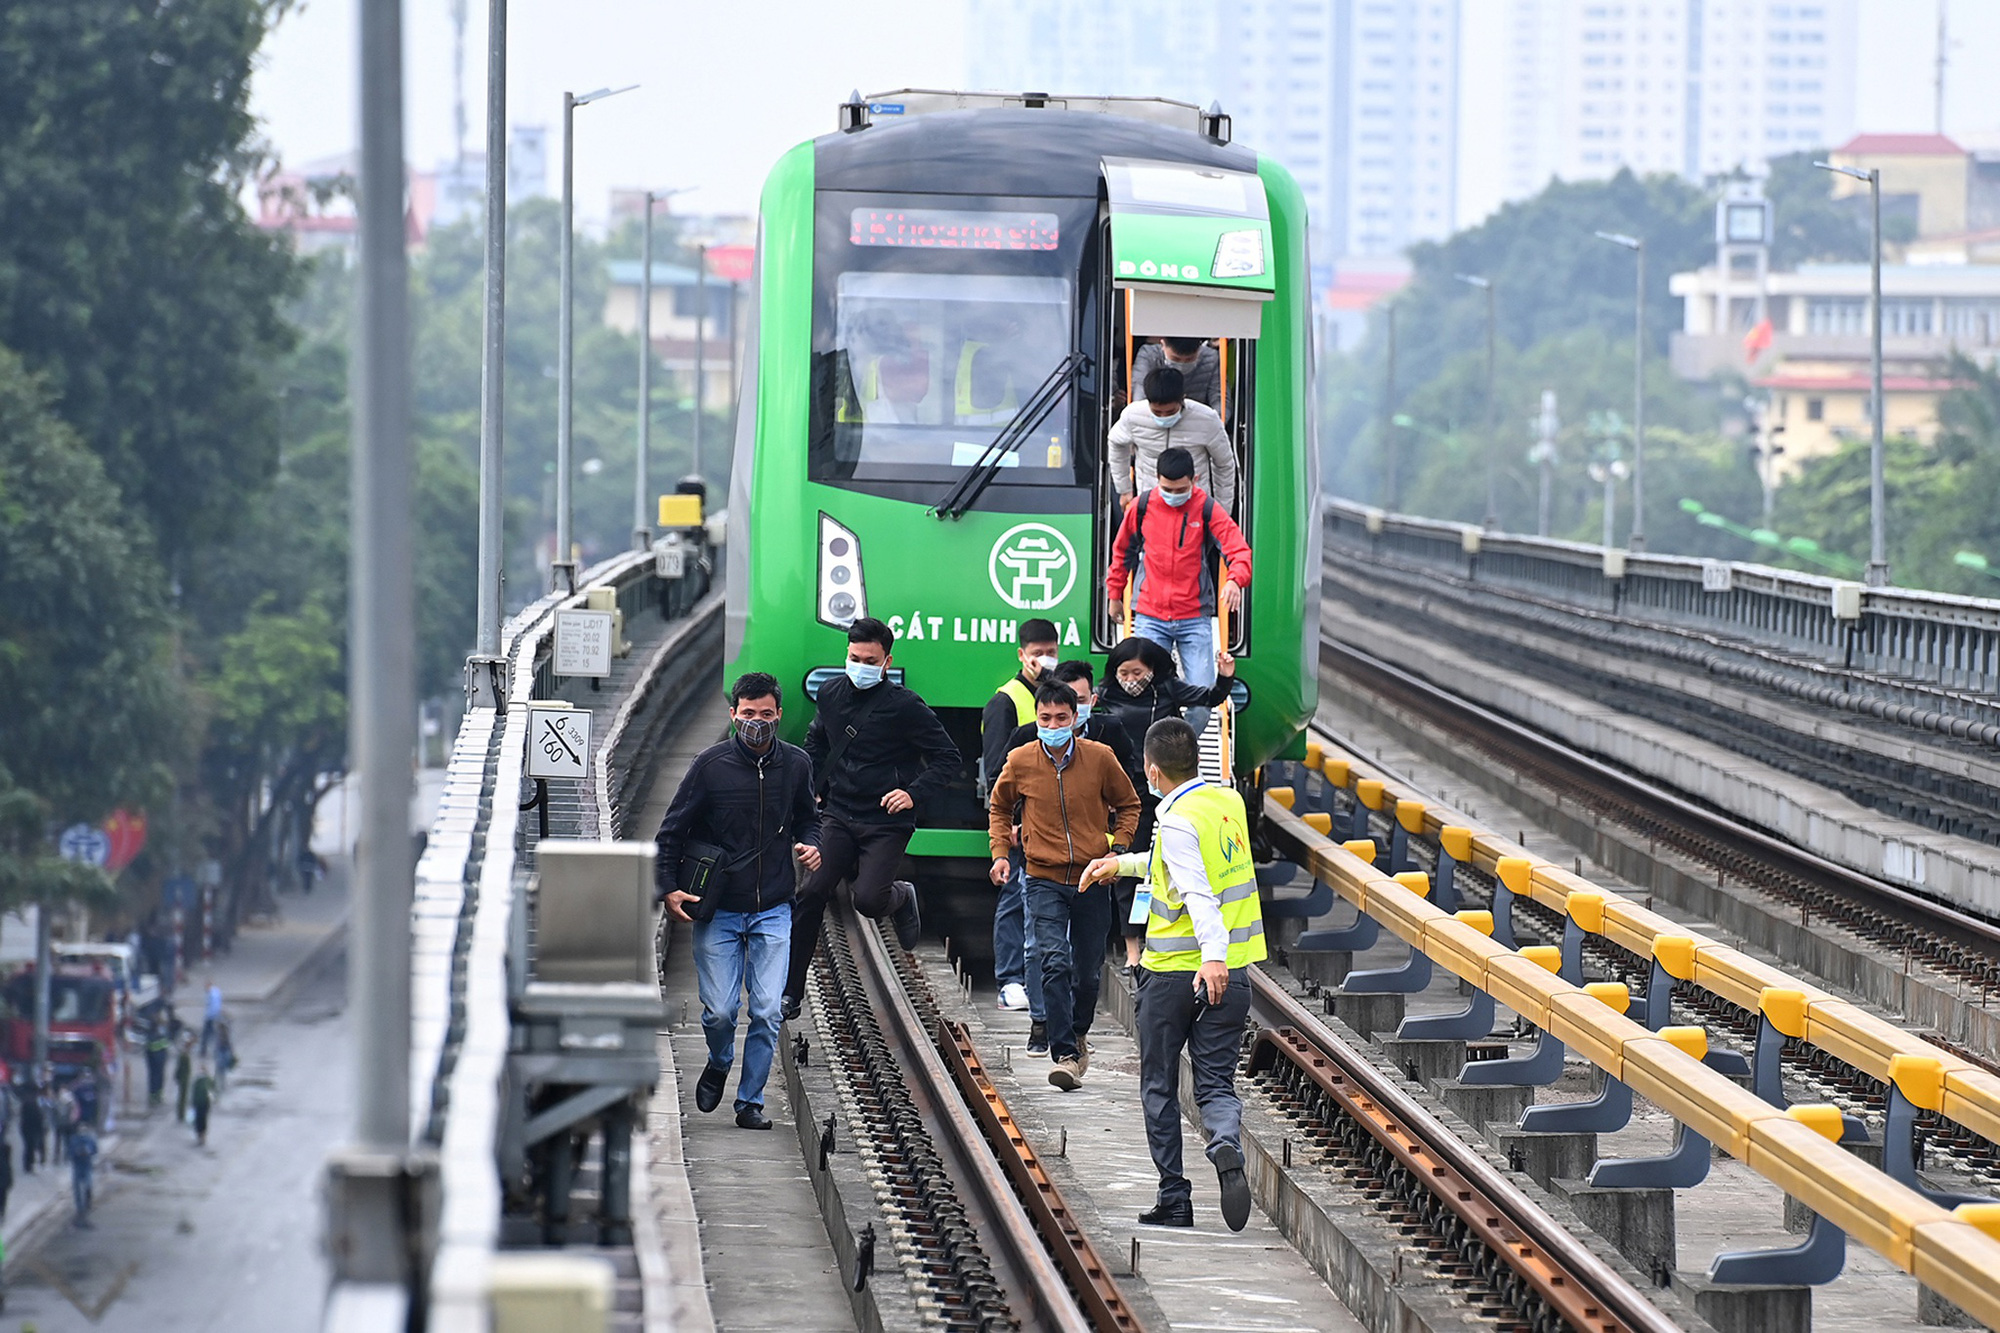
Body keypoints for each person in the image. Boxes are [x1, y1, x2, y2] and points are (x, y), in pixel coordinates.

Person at [1080, 717, 1266, 1231]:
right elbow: (1178, 865)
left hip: (1175, 975)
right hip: (1233, 973)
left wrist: (1209, 957)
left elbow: (1198, 893)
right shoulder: (1225, 803)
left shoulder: (1178, 820)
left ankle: (1175, 1197)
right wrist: (1119, 865)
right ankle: (1224, 1141)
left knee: (1159, 1085)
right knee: (1216, 1084)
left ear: (1151, 769)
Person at [656, 672, 823, 1132]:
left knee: (768, 1010)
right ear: (733, 714)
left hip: (773, 905)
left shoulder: (797, 765)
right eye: (747, 715)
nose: (757, 723)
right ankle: (719, 1058)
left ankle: (750, 1101)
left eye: (766, 715)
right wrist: (667, 888)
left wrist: (814, 844)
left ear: (779, 715)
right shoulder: (709, 767)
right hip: (720, 908)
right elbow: (671, 831)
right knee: (721, 1011)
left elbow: (810, 820)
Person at [784, 618, 962, 1017]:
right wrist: (814, 782)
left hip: (885, 820)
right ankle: (790, 992)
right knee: (812, 893)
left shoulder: (906, 706)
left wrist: (912, 792)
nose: (861, 665)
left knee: (867, 900)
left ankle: (901, 896)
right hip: (839, 814)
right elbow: (817, 738)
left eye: (870, 660)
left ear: (886, 662)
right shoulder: (830, 693)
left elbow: (947, 758)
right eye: (854, 657)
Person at [986, 683, 1140, 1091]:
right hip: (1042, 877)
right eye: (1044, 719)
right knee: (1054, 959)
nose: (1052, 726)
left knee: (1087, 972)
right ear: (1036, 718)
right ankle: (1065, 1055)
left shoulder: (1100, 758)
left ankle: (1079, 1031)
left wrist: (1118, 850)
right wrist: (1001, 852)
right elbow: (1000, 806)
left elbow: (1129, 804)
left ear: (1076, 718)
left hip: (1092, 878)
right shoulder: (1021, 760)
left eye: (1060, 718)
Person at [1106, 447, 1253, 737]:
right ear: (1157, 480)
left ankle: (1177, 749)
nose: (1174, 494)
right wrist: (1114, 596)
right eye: (1166, 488)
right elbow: (1122, 552)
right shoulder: (1142, 506)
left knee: (1201, 704)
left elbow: (1238, 550)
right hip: (1150, 614)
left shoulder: (1207, 508)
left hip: (1193, 618)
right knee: (1144, 693)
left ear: (1194, 479)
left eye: (1181, 489)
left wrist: (1235, 580)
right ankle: (1149, 755)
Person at [982, 619, 1060, 1017]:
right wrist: (1008, 822)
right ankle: (1009, 980)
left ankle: (1033, 979)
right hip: (1019, 822)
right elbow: (997, 769)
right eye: (1037, 654)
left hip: (1049, 820)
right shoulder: (1006, 701)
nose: (1045, 660)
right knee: (1014, 897)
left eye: (1051, 652)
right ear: (1022, 655)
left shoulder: (1056, 697)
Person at [1108, 366, 1236, 515]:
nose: (1163, 417)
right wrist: (1124, 489)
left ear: (1183, 399)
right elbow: (1116, 443)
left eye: (1170, 412)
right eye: (1156, 412)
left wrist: (1222, 509)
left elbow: (1224, 465)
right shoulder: (1132, 415)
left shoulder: (1207, 419)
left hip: (1196, 505)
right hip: (1150, 503)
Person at [1130, 337, 1222, 413]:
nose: (1182, 364)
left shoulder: (1211, 358)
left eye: (1190, 359)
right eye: (1175, 359)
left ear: (1199, 349)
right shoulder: (1149, 355)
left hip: (1197, 419)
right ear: (1162, 345)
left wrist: (1215, 423)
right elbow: (1139, 396)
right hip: (1155, 416)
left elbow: (1219, 398)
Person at [68, 1121, 96, 1228]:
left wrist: (88, 1151)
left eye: (84, 1129)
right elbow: (70, 1153)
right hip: (78, 1166)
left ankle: (87, 1202)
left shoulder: (89, 1140)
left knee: (88, 1185)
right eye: (81, 1129)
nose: (82, 1132)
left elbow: (94, 1150)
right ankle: (80, 1208)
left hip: (86, 1166)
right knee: (77, 1188)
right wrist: (77, 1152)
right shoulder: (74, 1140)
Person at [145, 1020, 170, 1106]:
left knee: (152, 1076)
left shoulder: (150, 1032)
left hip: (152, 1057)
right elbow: (164, 1044)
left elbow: (148, 1047)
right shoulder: (161, 1034)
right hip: (158, 1058)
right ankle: (157, 1096)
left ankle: (153, 1096)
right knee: (158, 1077)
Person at [190, 1062, 215, 1146]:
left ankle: (202, 1135)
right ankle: (200, 1135)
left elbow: (212, 1088)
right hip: (201, 1103)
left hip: (203, 1103)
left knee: (201, 1120)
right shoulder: (201, 1081)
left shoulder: (202, 1080)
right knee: (200, 1120)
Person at [174, 1037, 193, 1124]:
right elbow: (181, 1068)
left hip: (184, 1078)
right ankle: (180, 1114)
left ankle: (181, 1114)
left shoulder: (184, 1055)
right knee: (182, 1097)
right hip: (184, 1078)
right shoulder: (184, 1056)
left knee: (182, 1097)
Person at [201, 977, 222, 1056]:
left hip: (210, 1017)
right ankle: (216, 1050)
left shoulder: (211, 994)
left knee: (206, 1035)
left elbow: (213, 1006)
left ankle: (203, 1051)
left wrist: (208, 1017)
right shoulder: (216, 991)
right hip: (215, 1016)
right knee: (214, 1035)